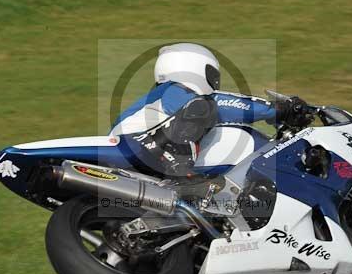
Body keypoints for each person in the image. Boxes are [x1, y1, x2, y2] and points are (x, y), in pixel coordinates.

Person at [110, 43, 313, 177]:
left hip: (138, 153)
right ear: (193, 66)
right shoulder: (172, 91)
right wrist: (275, 110)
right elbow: (220, 105)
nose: (215, 81)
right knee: (203, 107)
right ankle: (178, 168)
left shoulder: (164, 103)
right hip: (138, 147)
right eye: (212, 74)